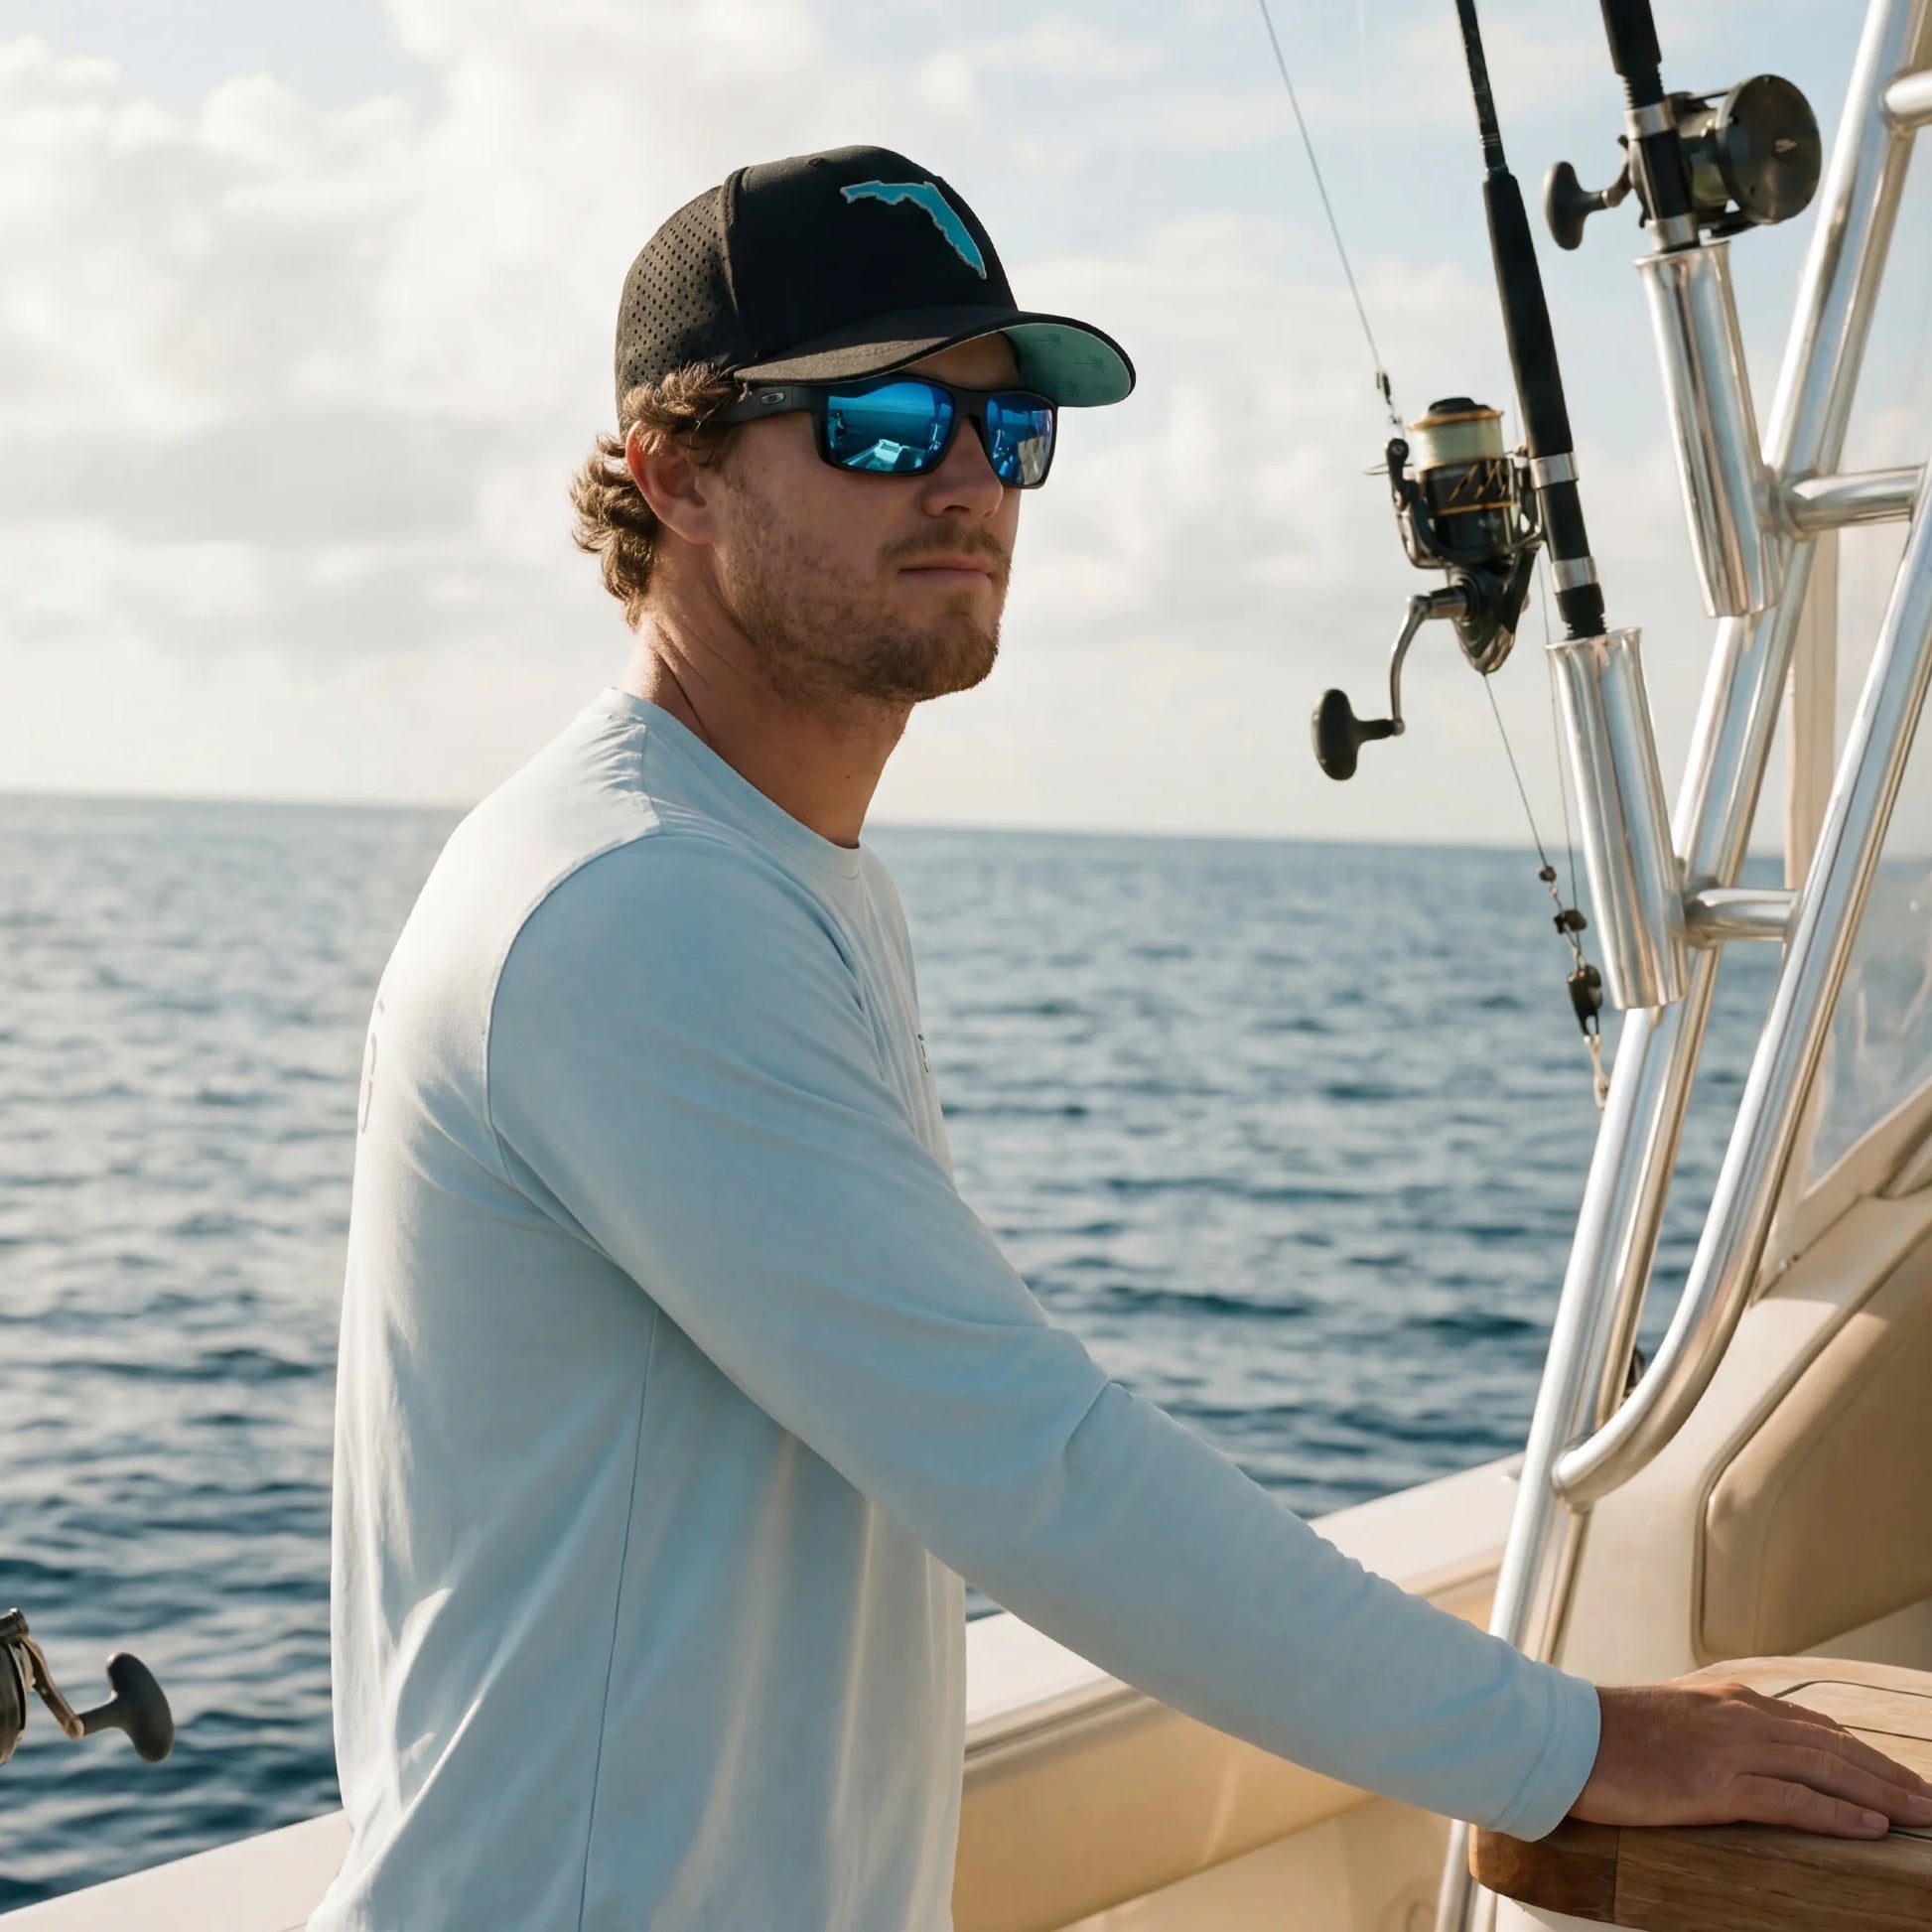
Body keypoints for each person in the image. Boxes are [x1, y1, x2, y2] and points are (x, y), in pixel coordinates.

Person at [311, 145, 1932, 1932]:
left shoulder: (768, 868)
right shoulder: (635, 906)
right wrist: (1568, 1742)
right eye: (879, 425)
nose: (961, 481)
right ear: (671, 473)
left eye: (1007, 434)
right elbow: (1037, 1467)